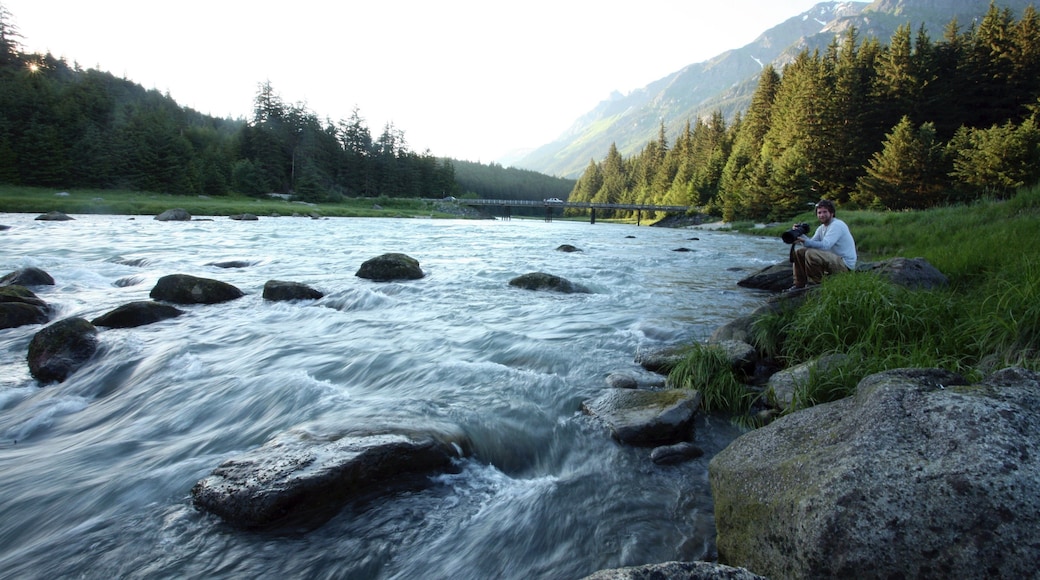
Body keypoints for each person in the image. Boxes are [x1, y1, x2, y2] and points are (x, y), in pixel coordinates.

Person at [788, 199, 856, 291]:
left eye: (825, 212)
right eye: (819, 213)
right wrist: (799, 234)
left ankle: (815, 284)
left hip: (845, 265)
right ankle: (799, 284)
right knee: (799, 252)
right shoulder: (821, 228)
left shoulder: (837, 225)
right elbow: (810, 243)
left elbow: (825, 245)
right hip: (833, 260)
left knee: (811, 254)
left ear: (832, 213)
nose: (821, 215)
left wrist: (805, 241)